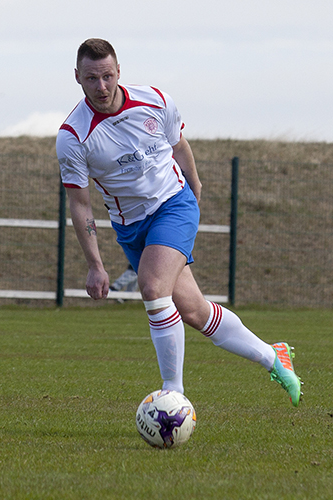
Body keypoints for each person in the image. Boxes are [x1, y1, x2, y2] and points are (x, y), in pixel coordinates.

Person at [56, 38, 302, 406]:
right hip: (131, 227)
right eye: (92, 78)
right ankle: (273, 355)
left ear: (119, 71)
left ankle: (173, 394)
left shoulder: (156, 100)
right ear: (77, 77)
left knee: (153, 288)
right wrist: (96, 265)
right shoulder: (74, 136)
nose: (102, 86)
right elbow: (80, 205)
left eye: (107, 76)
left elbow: (179, 144)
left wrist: (195, 186)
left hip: (173, 204)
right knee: (194, 311)